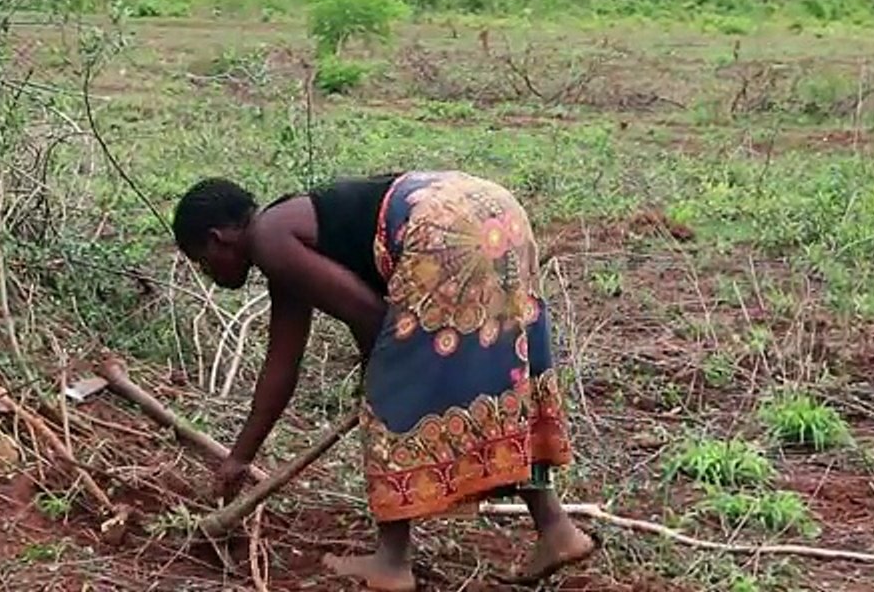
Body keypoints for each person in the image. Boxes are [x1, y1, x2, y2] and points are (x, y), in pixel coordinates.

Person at [171, 170, 596, 591]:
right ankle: (557, 529)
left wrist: (382, 381)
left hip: (441, 229)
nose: (210, 273)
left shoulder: (268, 238)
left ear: (218, 238)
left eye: (203, 262)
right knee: (505, 382)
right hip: (494, 211)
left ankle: (392, 561)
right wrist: (240, 457)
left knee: (388, 393)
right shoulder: (282, 235)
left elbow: (370, 316)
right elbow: (282, 367)